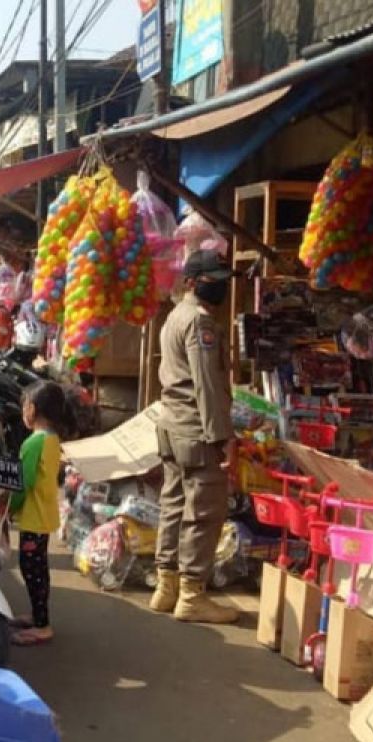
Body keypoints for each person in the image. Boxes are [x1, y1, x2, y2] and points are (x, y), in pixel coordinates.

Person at [150, 251, 240, 625]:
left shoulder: (174, 316)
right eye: (212, 278)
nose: (220, 285)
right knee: (203, 513)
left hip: (172, 426)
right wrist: (224, 438)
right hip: (196, 431)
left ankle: (165, 586)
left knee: (173, 505)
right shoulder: (200, 322)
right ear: (191, 282)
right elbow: (207, 386)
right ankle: (191, 594)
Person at [8, 381, 77, 647]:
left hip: (34, 518)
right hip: (44, 514)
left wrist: (8, 510)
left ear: (32, 409)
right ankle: (38, 616)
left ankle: (42, 625)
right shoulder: (52, 439)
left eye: (23, 405)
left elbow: (20, 484)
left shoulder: (33, 443)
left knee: (31, 570)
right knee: (38, 569)